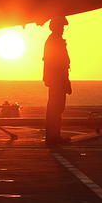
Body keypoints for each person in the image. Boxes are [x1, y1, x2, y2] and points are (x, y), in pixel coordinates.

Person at [43, 16, 71, 146]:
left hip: (57, 79)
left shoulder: (54, 40)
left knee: (56, 108)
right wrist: (64, 81)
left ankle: (53, 136)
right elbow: (58, 63)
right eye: (61, 26)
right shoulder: (55, 41)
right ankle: (53, 137)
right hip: (57, 80)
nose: (63, 29)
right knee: (56, 108)